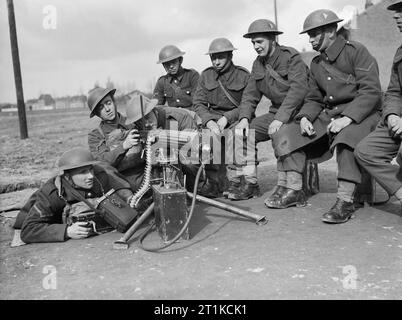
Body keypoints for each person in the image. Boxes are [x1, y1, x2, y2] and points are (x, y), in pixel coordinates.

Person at [270, 9, 382, 224]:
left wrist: (348, 118)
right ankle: (294, 190)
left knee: (346, 139)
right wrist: (304, 117)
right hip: (330, 116)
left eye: (314, 34)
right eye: (308, 36)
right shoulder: (316, 63)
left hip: (364, 115)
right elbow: (314, 98)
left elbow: (371, 91)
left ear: (331, 31)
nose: (310, 40)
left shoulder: (357, 51)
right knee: (287, 133)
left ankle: (346, 200)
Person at [233, 19, 309, 201]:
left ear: (273, 39)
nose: (256, 46)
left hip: (299, 112)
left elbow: (298, 90)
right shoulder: (257, 64)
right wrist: (244, 118)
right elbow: (250, 95)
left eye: (260, 41)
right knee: (239, 133)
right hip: (276, 114)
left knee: (282, 133)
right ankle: (250, 183)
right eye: (253, 43)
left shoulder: (290, 57)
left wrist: (280, 118)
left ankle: (292, 187)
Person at [13, 147, 135, 243]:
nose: (90, 176)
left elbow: (119, 186)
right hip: (44, 217)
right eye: (83, 172)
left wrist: (128, 198)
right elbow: (28, 230)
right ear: (67, 177)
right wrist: (67, 231)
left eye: (90, 169)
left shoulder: (99, 175)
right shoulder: (53, 193)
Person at [355, 0, 402, 212]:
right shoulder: (401, 51)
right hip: (398, 119)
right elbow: (394, 91)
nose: (396, 16)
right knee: (366, 150)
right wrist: (392, 114)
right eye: (396, 12)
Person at [193, 37, 250, 198]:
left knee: (236, 135)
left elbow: (248, 104)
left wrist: (227, 117)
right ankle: (213, 182)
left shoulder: (243, 75)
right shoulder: (206, 76)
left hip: (236, 118)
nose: (216, 62)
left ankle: (235, 182)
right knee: (205, 138)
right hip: (213, 119)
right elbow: (198, 103)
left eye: (220, 57)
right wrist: (209, 121)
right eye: (213, 58)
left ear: (230, 56)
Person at [87, 87, 150, 191]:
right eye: (101, 108)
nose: (107, 109)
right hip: (119, 184)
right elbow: (102, 162)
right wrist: (124, 146)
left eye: (108, 103)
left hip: (146, 175)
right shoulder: (96, 135)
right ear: (97, 114)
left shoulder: (133, 121)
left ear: (114, 102)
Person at [153, 45, 200, 111]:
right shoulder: (162, 81)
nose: (171, 66)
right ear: (163, 65)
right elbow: (156, 106)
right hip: (172, 117)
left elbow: (198, 103)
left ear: (180, 60)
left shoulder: (192, 76)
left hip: (192, 116)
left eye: (173, 62)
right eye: (167, 64)